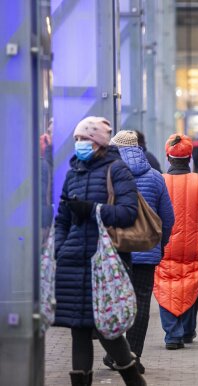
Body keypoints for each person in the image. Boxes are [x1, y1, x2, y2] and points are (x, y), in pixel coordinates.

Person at [54, 117, 146, 385]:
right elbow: (62, 219)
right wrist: (61, 248)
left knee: (108, 329)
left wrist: (93, 210)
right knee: (79, 330)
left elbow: (129, 213)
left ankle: (134, 379)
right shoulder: (72, 173)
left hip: (104, 261)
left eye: (85, 139)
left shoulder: (116, 170)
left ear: (98, 143)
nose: (79, 144)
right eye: (77, 140)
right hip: (74, 263)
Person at [102, 131, 175, 374]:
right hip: (146, 250)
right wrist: (159, 244)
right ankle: (133, 355)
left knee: (113, 300)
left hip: (116, 250)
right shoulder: (155, 176)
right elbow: (168, 218)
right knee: (141, 302)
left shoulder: (109, 175)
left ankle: (116, 354)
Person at [154, 134, 198, 350]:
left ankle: (173, 335)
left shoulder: (159, 182)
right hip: (195, 246)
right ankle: (188, 330)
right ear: (190, 157)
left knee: (166, 288)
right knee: (191, 287)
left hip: (165, 247)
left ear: (168, 157)